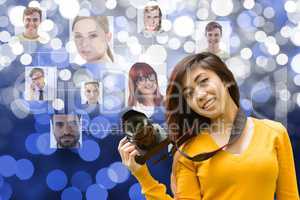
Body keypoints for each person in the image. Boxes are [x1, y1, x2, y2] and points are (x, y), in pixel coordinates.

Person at [118, 52, 299, 199]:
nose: (200, 95)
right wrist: (143, 176)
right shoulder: (188, 152)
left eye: (203, 81)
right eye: (189, 93)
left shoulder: (274, 132)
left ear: (225, 79)